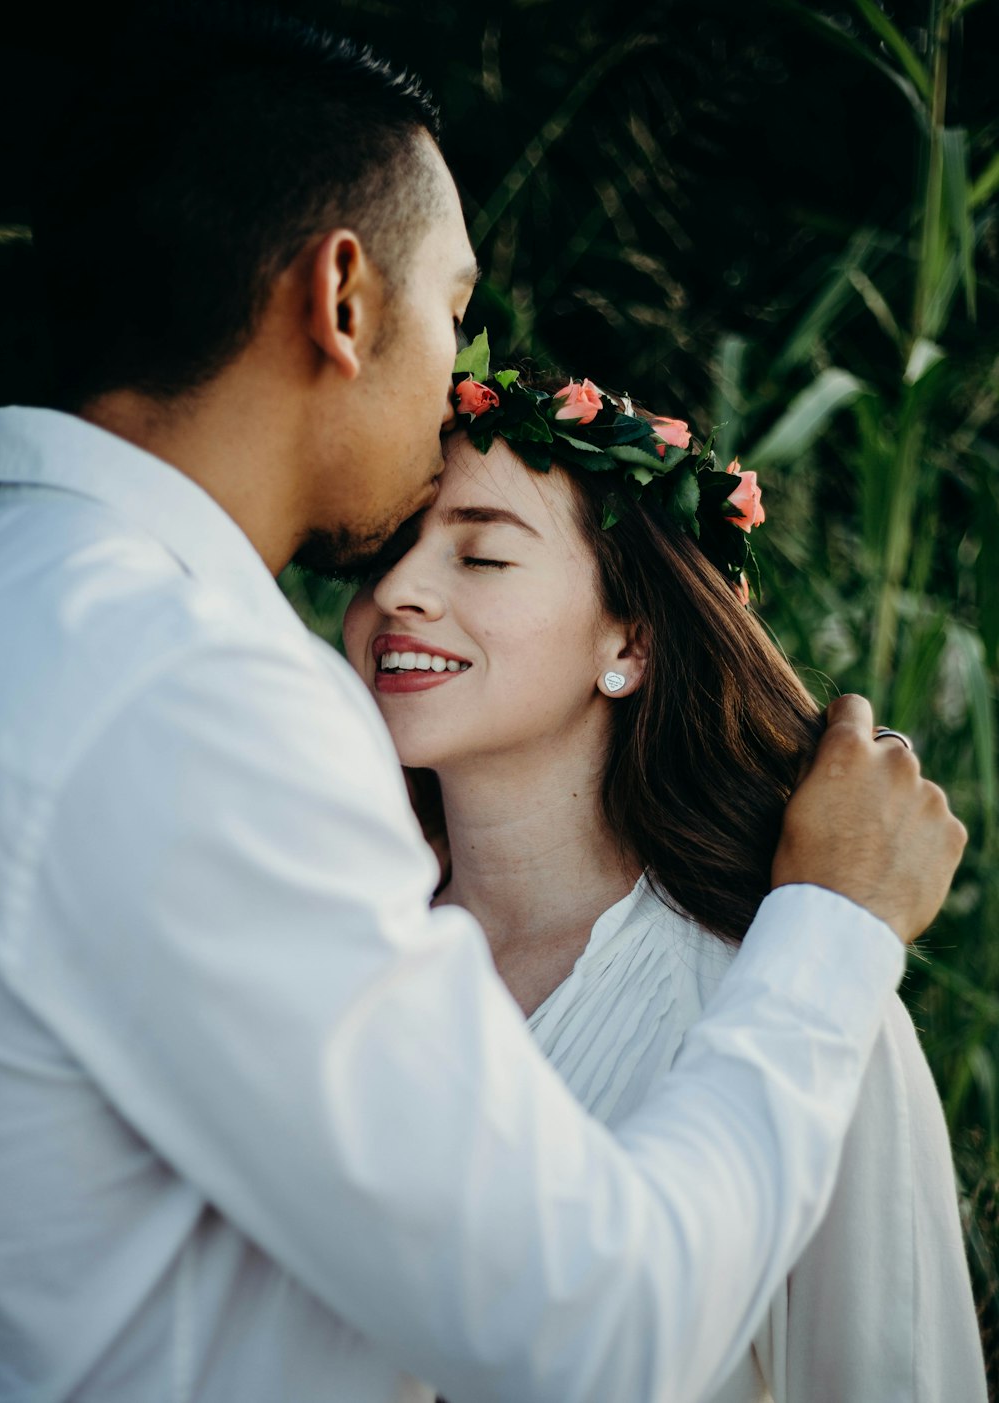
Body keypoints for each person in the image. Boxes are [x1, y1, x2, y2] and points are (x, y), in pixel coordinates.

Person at [0, 8, 968, 1402]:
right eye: (453, 305)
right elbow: (591, 1331)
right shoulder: (200, 702)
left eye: (488, 548)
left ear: (630, 639)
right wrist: (831, 934)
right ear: (341, 300)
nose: (457, 365)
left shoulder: (60, 619)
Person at [343, 359, 988, 1399]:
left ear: (630, 640)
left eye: (484, 556)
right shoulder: (321, 946)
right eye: (387, 549)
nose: (398, 591)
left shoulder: (798, 995)